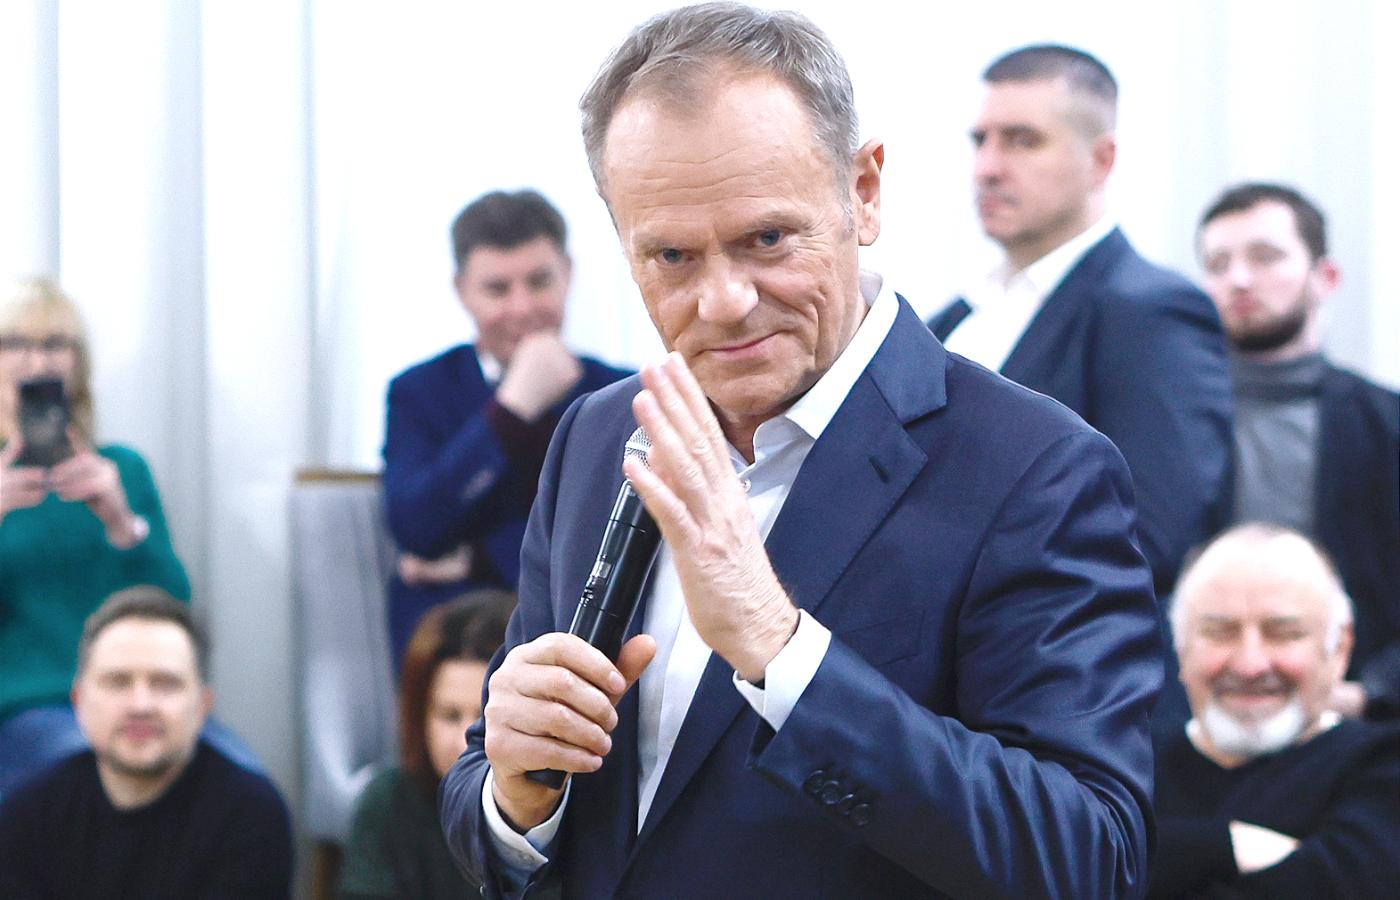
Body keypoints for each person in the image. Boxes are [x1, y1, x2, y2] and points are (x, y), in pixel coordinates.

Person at [439, 5, 1162, 898]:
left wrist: (782, 652)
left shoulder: (1036, 470)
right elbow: (500, 791)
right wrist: (515, 797)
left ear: (864, 192)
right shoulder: (595, 435)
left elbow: (1090, 859)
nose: (725, 301)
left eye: (767, 239)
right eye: (671, 256)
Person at [926, 44, 1232, 598]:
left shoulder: (1151, 312)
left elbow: (1149, 538)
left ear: (1102, 160)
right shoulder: (952, 319)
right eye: (980, 141)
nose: (988, 168)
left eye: (1023, 141)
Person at [382, 190, 631, 670]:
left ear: (568, 274)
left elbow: (613, 542)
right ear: (462, 291)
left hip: (581, 624)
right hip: (455, 633)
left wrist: (478, 558)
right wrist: (511, 410)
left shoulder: (620, 391)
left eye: (539, 281)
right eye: (498, 289)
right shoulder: (419, 391)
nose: (522, 307)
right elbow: (416, 528)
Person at [1198, 183, 1399, 720]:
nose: (1239, 279)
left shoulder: (1386, 425)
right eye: (1218, 264)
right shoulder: (1172, 423)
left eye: (1265, 257)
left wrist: (1369, 695)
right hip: (1190, 727)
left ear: (1325, 277)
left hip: (1357, 729)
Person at [0, 277, 190, 797]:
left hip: (137, 699)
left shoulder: (122, 469)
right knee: (84, 774)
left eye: (54, 344)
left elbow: (175, 609)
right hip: (27, 707)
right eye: (15, 344)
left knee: (240, 783)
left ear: (78, 365)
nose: (36, 362)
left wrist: (122, 523)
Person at [1150, 525, 1400, 898]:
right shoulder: (1127, 772)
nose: (1250, 664)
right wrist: (1228, 845)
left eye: (1283, 633)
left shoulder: (1384, 765)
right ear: (1180, 648)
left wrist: (1159, 856)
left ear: (1339, 649)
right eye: (1219, 632)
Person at [0, 587, 294, 898]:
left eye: (165, 683)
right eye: (118, 682)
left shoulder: (249, 817)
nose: (140, 705)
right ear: (79, 702)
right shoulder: (29, 813)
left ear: (202, 706)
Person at [339, 589, 517, 900]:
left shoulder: (572, 810)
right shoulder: (388, 803)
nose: (465, 741)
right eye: (449, 716)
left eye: (485, 717)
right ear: (420, 716)